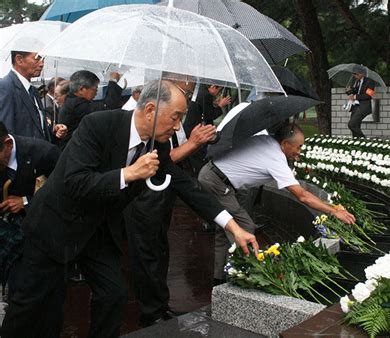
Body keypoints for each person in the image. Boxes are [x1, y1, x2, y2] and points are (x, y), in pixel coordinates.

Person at [0, 79, 258, 338]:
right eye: (175, 117)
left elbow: (186, 187)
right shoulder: (98, 125)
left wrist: (232, 226)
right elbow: (75, 182)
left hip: (97, 230)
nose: (178, 125)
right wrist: (129, 173)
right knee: (35, 306)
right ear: (150, 110)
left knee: (113, 294)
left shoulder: (157, 145)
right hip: (55, 226)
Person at [198, 120, 356, 284]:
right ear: (286, 143)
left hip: (215, 176)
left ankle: (221, 277)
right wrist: (334, 211)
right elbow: (301, 195)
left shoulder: (268, 142)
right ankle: (246, 277)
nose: (299, 151)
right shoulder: (275, 159)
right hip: (216, 181)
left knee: (227, 228)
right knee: (245, 227)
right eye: (299, 146)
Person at [124, 79, 217, 328]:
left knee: (160, 250)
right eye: (184, 87)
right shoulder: (134, 122)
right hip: (145, 197)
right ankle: (151, 312)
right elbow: (160, 161)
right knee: (147, 255)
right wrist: (192, 144)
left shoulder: (170, 117)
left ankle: (160, 305)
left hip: (165, 192)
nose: (177, 126)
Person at [0, 122, 60, 295]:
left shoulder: (44, 153)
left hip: (39, 233)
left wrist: (26, 201)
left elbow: (64, 190)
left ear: (8, 145)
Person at [0, 51, 67, 142]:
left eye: (43, 59)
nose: (42, 64)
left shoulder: (33, 90)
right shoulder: (5, 88)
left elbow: (35, 127)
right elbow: (6, 134)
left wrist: (53, 131)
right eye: (37, 58)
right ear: (19, 59)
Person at [346, 65, 375, 138]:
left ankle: (364, 140)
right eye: (353, 74)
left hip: (364, 107)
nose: (354, 75)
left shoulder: (370, 82)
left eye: (356, 74)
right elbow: (353, 92)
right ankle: (356, 144)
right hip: (355, 107)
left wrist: (355, 97)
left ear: (362, 73)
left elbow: (369, 95)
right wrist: (349, 91)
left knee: (351, 125)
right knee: (355, 126)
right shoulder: (356, 81)